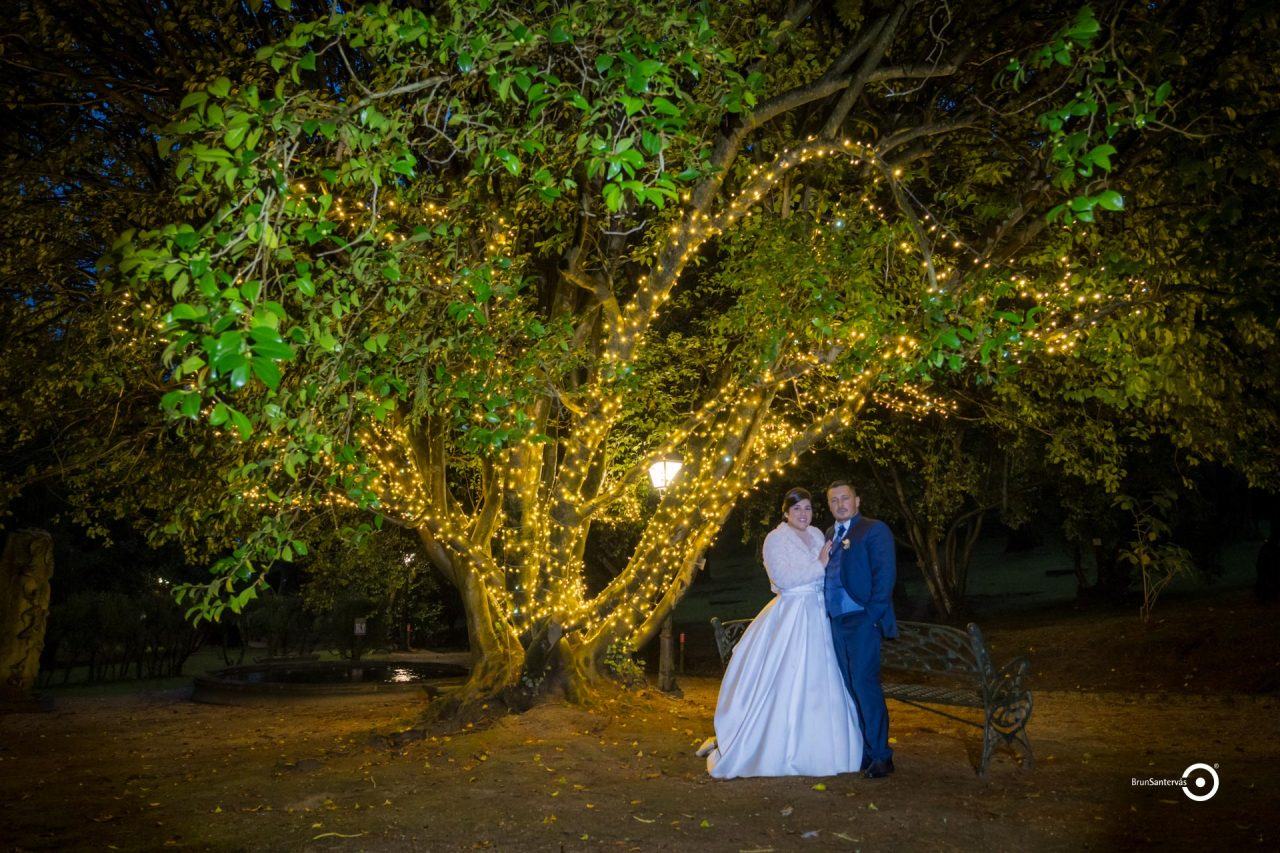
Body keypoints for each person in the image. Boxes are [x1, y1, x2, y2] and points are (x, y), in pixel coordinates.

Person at [705, 488, 864, 778]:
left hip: (820, 612)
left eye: (808, 508)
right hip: (793, 613)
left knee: (823, 678)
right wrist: (820, 564)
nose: (803, 514)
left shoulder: (817, 534)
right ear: (786, 512)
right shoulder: (775, 539)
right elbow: (783, 578)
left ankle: (827, 749)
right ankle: (777, 747)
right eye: (797, 509)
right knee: (788, 676)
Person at [825, 480, 899, 779]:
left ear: (857, 501)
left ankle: (882, 755)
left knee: (865, 685)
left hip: (862, 620)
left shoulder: (873, 529)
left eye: (845, 498)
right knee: (849, 686)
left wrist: (872, 615)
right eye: (834, 500)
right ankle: (865, 751)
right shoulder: (829, 534)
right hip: (835, 622)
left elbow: (885, 575)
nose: (840, 504)